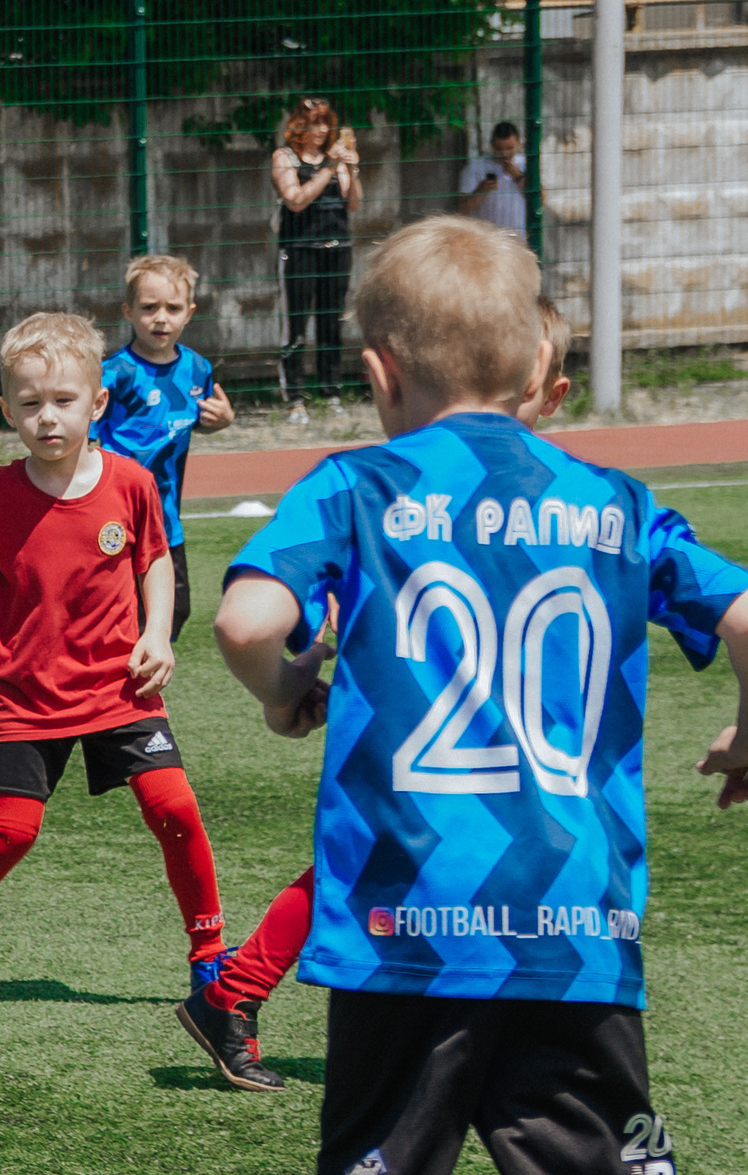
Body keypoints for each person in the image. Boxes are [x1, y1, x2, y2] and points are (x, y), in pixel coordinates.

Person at [211, 215, 748, 1175]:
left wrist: (288, 682)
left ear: (374, 370)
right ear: (548, 362)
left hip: (403, 933)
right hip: (573, 935)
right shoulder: (613, 502)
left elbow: (242, 621)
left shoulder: (355, 487)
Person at [174, 295, 574, 1096]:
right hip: (421, 726)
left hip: (458, 729)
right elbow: (264, 615)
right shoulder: (394, 489)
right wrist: (304, 666)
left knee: (396, 862)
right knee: (408, 858)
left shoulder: (538, 498)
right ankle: (239, 995)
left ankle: (235, 994)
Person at [0, 312, 228, 1019]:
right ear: (7, 408)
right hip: (28, 694)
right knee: (11, 830)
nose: (48, 418)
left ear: (98, 403)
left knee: (174, 808)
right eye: (30, 404)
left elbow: (156, 562)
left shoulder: (131, 483)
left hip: (119, 684)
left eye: (64, 401)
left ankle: (211, 958)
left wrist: (158, 635)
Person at [95, 254, 235, 645]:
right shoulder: (114, 373)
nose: (161, 318)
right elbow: (86, 433)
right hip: (115, 512)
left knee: (175, 608)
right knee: (117, 606)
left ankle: (139, 672)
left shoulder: (198, 370)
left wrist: (219, 421)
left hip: (166, 517)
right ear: (128, 311)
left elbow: (200, 420)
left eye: (172, 308)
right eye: (149, 307)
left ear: (189, 313)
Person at [270, 98, 361, 425]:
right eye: (314, 122)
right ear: (300, 125)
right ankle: (295, 398)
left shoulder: (333, 159)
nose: (321, 130)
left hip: (337, 247)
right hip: (300, 249)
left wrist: (351, 167)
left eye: (325, 123)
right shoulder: (285, 157)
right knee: (296, 324)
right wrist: (327, 169)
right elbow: (295, 200)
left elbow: (353, 204)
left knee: (331, 321)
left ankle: (331, 392)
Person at [457, 122, 528, 236]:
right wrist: (480, 190)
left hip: (519, 238)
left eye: (510, 148)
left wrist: (518, 177)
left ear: (519, 143)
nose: (505, 153)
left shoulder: (526, 164)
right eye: (500, 149)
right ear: (491, 145)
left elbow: (541, 200)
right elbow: (462, 209)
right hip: (488, 239)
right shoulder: (476, 167)